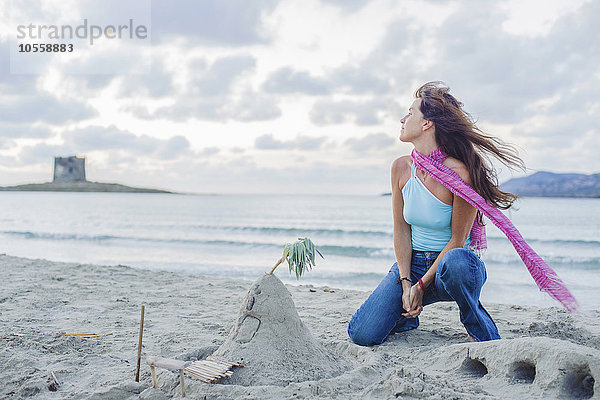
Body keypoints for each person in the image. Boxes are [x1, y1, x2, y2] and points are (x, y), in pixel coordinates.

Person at [347, 81, 528, 346]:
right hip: (415, 265)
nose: (402, 118)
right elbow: (401, 229)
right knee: (362, 334)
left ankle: (476, 325)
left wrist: (421, 287)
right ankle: (406, 317)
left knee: (456, 260)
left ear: (426, 124)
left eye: (410, 113)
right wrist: (407, 281)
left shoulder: (459, 174)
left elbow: (457, 240)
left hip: (453, 271)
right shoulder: (400, 168)